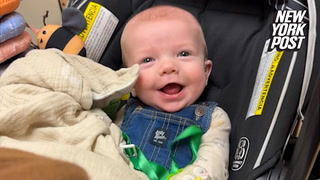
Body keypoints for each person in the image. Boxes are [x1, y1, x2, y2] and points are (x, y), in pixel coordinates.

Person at [116, 5, 231, 180]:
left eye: (183, 54)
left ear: (205, 71)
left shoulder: (214, 119)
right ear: (130, 82)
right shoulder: (123, 114)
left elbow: (211, 167)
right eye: (148, 60)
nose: (168, 67)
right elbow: (102, 147)